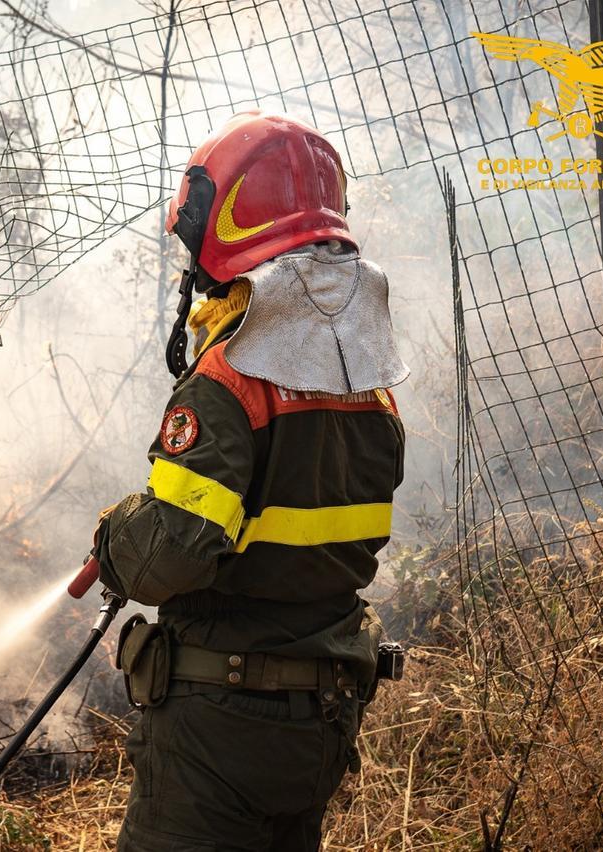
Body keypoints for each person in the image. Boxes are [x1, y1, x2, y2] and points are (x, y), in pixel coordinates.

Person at [90, 111, 409, 852]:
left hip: (222, 728)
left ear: (225, 230)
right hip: (322, 716)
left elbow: (173, 551)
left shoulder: (231, 381)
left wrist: (115, 539)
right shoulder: (369, 378)